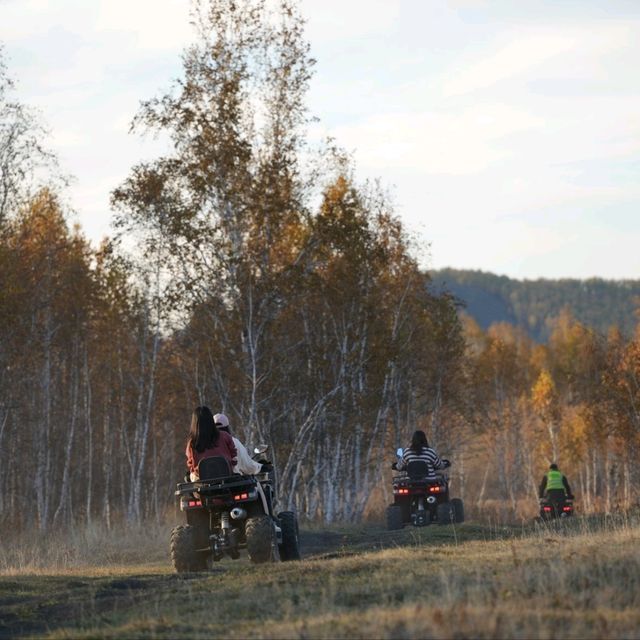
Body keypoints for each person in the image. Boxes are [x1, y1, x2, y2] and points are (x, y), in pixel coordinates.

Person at [186, 406, 237, 481]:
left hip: (202, 479)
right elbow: (234, 454)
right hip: (226, 475)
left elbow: (191, 463)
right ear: (211, 420)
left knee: (187, 477)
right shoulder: (225, 435)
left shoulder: (192, 442)